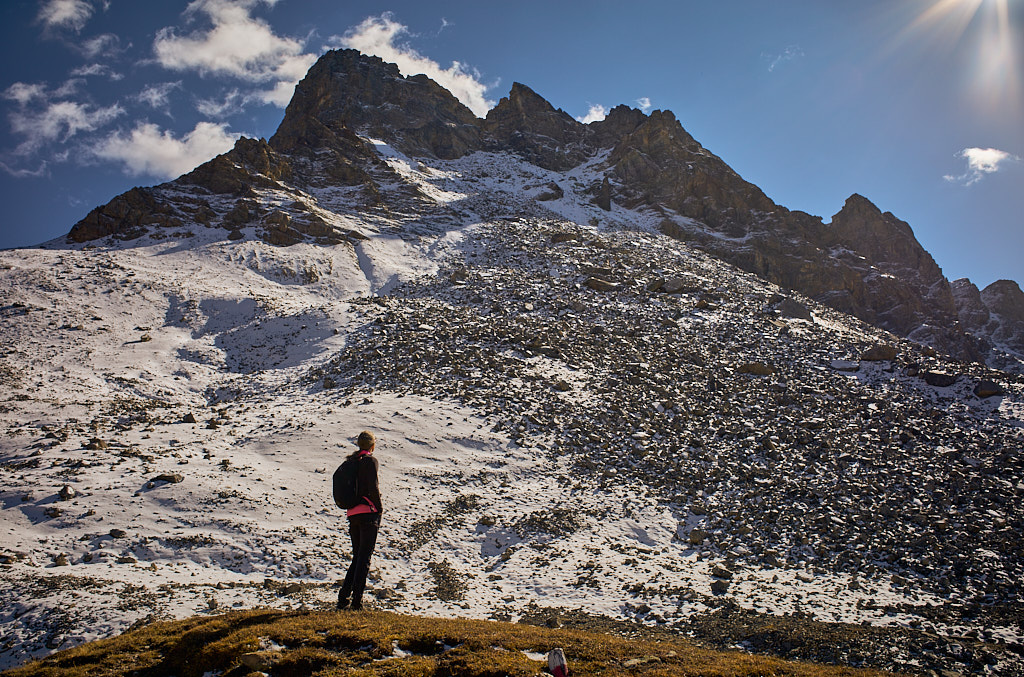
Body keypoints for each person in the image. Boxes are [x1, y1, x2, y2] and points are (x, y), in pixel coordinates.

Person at [337, 430, 382, 611]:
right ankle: (357, 602)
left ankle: (343, 598)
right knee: (364, 558)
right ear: (372, 445)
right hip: (368, 513)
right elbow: (373, 486)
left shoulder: (351, 462)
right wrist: (379, 508)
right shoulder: (370, 461)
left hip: (352, 513)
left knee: (357, 557)